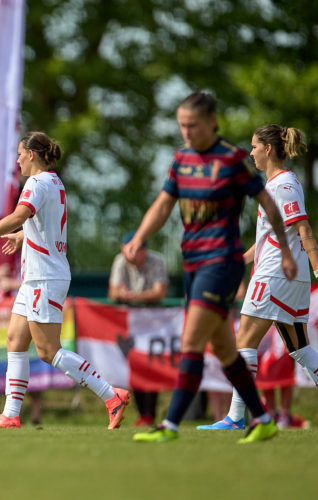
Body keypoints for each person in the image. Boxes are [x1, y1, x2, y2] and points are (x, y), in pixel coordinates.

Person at [128, 92, 296, 444]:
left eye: (193, 126)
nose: (186, 132)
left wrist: (285, 253)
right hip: (193, 263)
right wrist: (139, 237)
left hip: (222, 263)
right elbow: (162, 205)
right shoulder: (181, 159)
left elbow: (266, 201)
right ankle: (262, 419)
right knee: (225, 351)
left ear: (211, 123)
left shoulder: (232, 159)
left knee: (191, 340)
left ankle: (169, 425)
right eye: (181, 126)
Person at [0, 131, 130, 429]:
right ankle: (10, 415)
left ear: (31, 154)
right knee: (14, 339)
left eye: (20, 154)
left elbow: (18, 215)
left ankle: (111, 394)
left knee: (48, 351)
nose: (17, 160)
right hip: (36, 276)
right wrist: (23, 236)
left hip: (44, 277)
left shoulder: (36, 182)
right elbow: (44, 222)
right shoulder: (54, 181)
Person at [197, 124, 318, 431]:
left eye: (253, 147)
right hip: (286, 274)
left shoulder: (283, 185)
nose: (249, 152)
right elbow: (268, 240)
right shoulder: (279, 184)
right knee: (300, 348)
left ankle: (237, 417)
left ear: (267, 149)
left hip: (277, 274)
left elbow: (304, 229)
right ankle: (237, 417)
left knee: (244, 342)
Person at [108, 231, 169, 426]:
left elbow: (160, 292)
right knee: (135, 367)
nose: (131, 254)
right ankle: (145, 414)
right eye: (128, 250)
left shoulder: (157, 260)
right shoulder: (120, 261)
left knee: (152, 367)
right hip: (130, 324)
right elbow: (113, 291)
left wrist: (132, 296)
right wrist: (127, 295)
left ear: (144, 250)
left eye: (135, 249)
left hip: (154, 323)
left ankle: (149, 414)